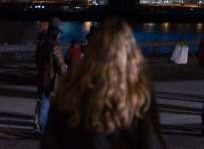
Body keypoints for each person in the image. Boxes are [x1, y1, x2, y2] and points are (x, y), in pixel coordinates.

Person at [42, 18, 166, 149]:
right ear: (130, 54)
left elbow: (50, 142)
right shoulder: (138, 98)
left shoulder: (69, 93)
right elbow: (152, 143)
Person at [36, 24, 67, 132]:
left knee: (42, 103)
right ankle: (44, 129)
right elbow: (60, 65)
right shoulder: (55, 46)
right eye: (58, 32)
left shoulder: (42, 44)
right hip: (52, 81)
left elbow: (38, 61)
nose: (59, 35)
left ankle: (41, 127)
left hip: (41, 78)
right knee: (47, 105)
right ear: (55, 32)